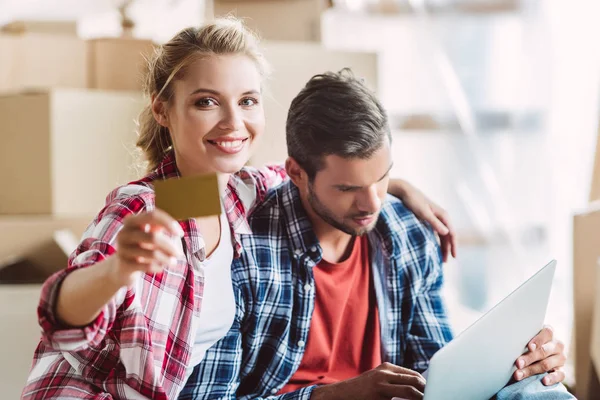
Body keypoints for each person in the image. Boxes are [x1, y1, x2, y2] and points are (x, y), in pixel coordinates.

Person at [21, 19, 455, 400]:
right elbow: (62, 322)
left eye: (247, 100)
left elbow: (318, 179)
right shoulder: (145, 207)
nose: (232, 122)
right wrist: (115, 273)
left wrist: (392, 186)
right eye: (206, 102)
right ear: (162, 109)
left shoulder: (236, 193)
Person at [180, 70, 572, 400]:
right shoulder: (237, 243)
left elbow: (437, 372)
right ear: (296, 173)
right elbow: (210, 396)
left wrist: (515, 362)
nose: (372, 204)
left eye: (383, 178)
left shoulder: (406, 233)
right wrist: (336, 394)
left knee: (538, 390)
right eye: (347, 189)